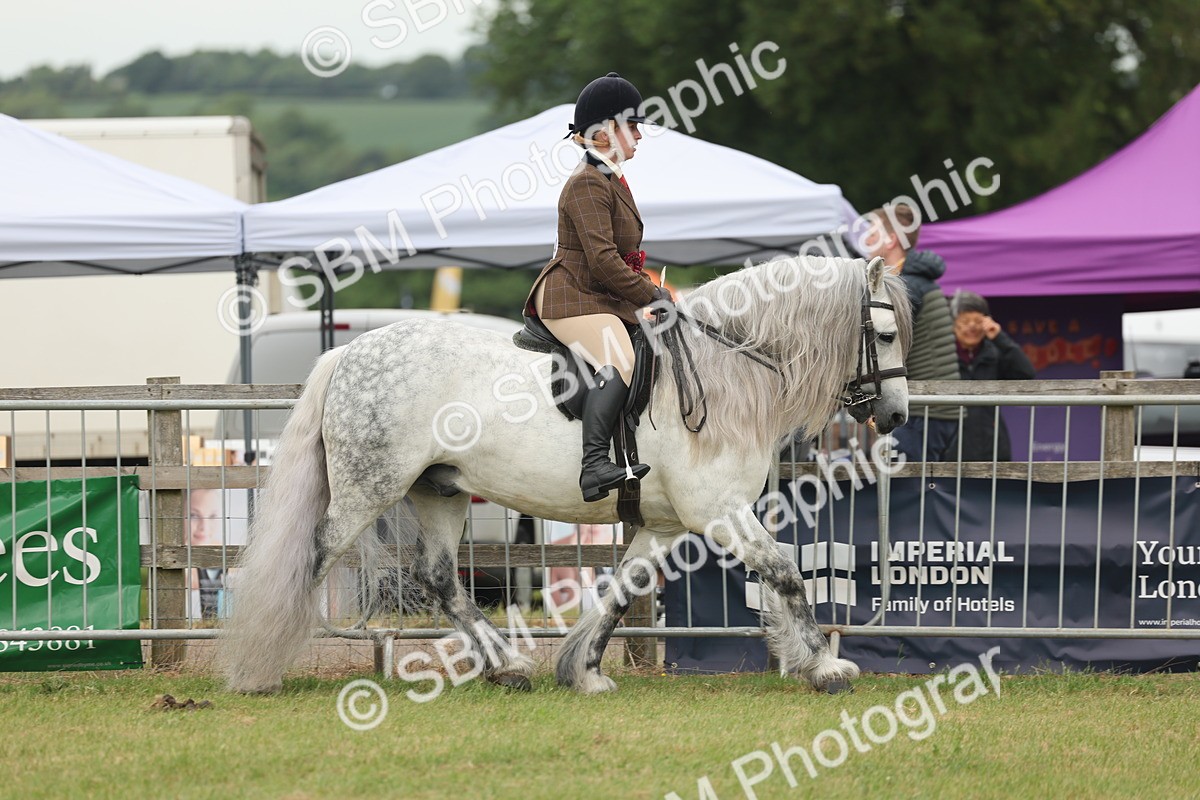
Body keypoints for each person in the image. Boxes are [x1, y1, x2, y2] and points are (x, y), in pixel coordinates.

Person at [525, 72, 669, 502]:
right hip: (570, 296)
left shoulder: (609, 178)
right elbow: (604, 261)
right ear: (605, 132)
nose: (640, 135)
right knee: (620, 356)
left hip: (594, 294)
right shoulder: (588, 182)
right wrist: (651, 295)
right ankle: (594, 465)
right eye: (633, 126)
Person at [861, 203, 960, 460]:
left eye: (873, 233)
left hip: (926, 410)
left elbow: (873, 340)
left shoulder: (905, 286)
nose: (867, 239)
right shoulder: (910, 279)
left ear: (891, 240)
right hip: (933, 408)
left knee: (895, 487)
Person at [950, 290, 1036, 460]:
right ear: (953, 324)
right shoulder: (943, 355)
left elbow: (1026, 373)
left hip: (992, 446)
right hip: (950, 448)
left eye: (978, 321)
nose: (972, 327)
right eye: (966, 321)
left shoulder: (994, 353)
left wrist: (999, 337)